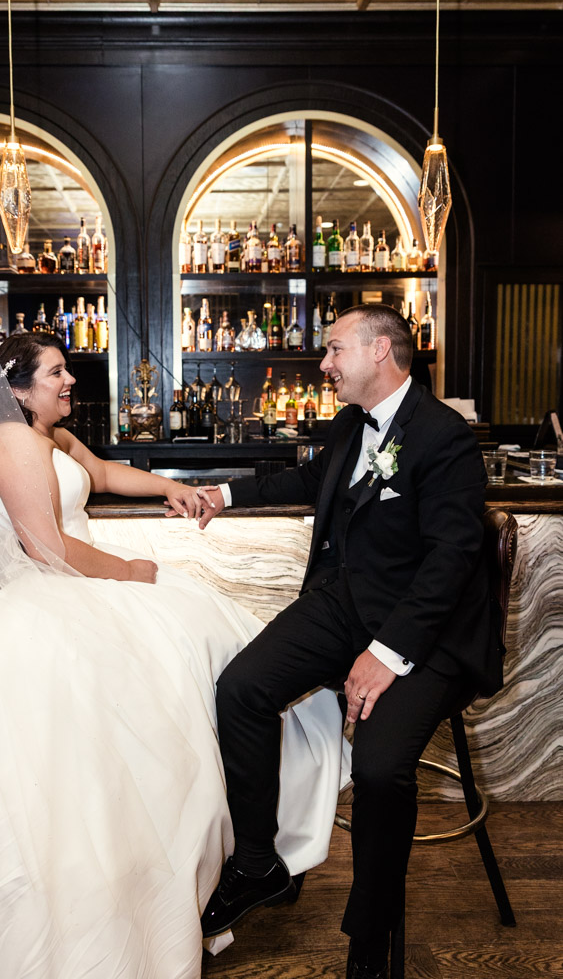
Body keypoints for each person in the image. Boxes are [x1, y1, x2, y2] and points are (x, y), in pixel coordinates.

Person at [0, 332, 347, 979]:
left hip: (82, 588)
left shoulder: (46, 434)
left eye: (66, 369)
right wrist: (129, 571)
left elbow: (101, 475)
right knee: (178, 683)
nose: (69, 380)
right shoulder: (12, 442)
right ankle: (203, 863)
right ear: (16, 389)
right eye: (55, 373)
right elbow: (49, 548)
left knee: (219, 653)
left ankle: (250, 849)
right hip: (49, 595)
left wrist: (173, 488)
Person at [198, 304, 501, 979]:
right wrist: (220, 492)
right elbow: (305, 482)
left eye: (335, 350)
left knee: (378, 770)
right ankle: (256, 863)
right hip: (344, 605)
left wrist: (386, 654)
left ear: (381, 353)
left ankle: (369, 943)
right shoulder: (348, 425)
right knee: (240, 690)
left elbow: (451, 557)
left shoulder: (444, 437)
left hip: (427, 630)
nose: (325, 363)